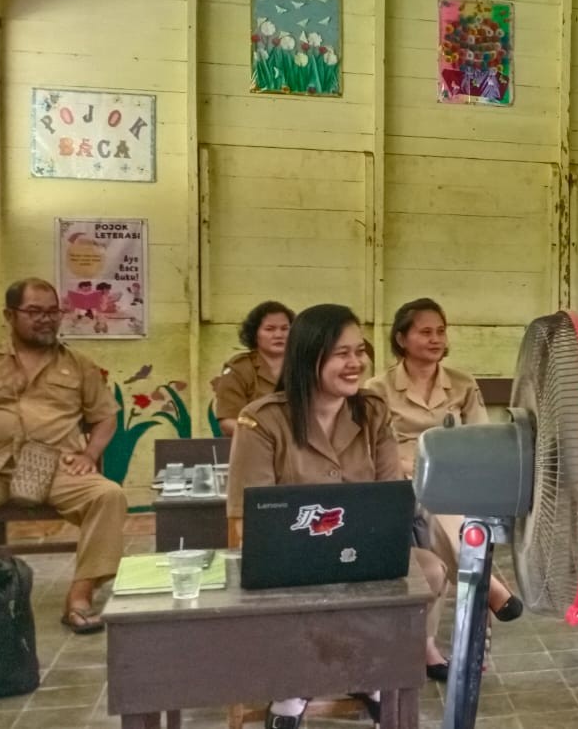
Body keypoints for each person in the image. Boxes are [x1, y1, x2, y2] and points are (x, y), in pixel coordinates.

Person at [227, 304, 449, 728]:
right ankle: (298, 683)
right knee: (318, 590)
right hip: (290, 565)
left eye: (359, 352)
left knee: (430, 571)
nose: (356, 364)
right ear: (309, 357)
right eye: (340, 354)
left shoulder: (373, 413)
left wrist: (376, 538)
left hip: (361, 555)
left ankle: (362, 672)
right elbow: (245, 520)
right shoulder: (262, 421)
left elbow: (389, 500)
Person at [0, 278, 128, 635]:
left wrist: (90, 453)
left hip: (57, 467)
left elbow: (105, 417)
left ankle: (80, 597)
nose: (46, 319)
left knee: (109, 496)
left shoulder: (79, 364)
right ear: (10, 315)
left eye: (53, 312)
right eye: (34, 312)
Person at [365, 298, 521, 662]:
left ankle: (427, 646)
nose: (435, 339)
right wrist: (421, 469)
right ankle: (488, 585)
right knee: (438, 506)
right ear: (402, 338)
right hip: (400, 477)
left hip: (456, 475)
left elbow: (481, 439)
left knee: (439, 534)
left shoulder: (462, 384)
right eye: (424, 332)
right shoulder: (378, 388)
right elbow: (376, 448)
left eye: (440, 331)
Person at [213, 301, 294, 436]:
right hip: (254, 447)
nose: (279, 335)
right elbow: (228, 422)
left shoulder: (305, 367)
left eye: (285, 328)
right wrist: (264, 433)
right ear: (255, 333)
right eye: (270, 329)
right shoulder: (240, 369)